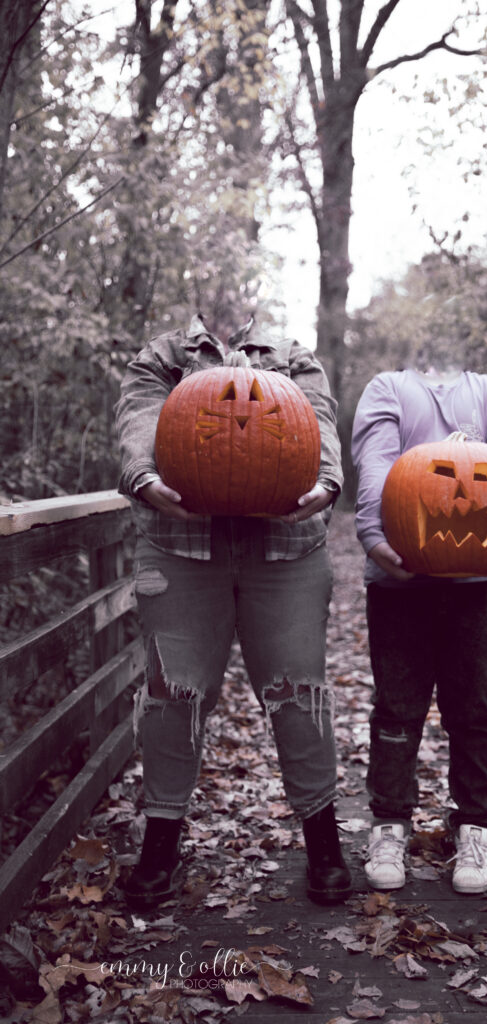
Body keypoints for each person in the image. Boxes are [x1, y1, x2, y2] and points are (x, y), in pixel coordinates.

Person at [114, 313, 351, 910]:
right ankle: (161, 844)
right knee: (174, 696)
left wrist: (325, 482)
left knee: (300, 690)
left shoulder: (291, 357)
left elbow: (318, 423)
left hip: (287, 547)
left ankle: (323, 843)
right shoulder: (163, 357)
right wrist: (144, 478)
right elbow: (140, 421)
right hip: (182, 547)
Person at [351, 360, 487, 895]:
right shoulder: (387, 387)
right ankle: (390, 824)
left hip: (478, 583)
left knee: (475, 711)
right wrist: (375, 533)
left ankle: (476, 827)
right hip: (399, 580)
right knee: (396, 708)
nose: (460, 493)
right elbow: (375, 465)